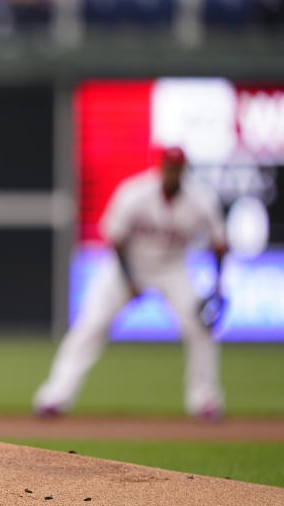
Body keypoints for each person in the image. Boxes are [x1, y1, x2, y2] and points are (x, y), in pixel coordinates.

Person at [33, 147, 227, 422]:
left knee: (200, 327)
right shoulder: (135, 192)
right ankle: (54, 396)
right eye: (169, 166)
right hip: (127, 264)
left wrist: (218, 285)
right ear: (161, 167)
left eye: (178, 167)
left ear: (184, 170)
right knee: (92, 324)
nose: (173, 172)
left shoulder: (201, 199)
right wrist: (129, 280)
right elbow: (116, 238)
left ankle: (205, 400)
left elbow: (220, 244)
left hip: (173, 268)